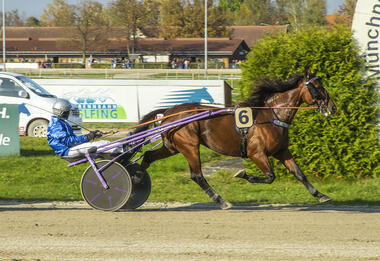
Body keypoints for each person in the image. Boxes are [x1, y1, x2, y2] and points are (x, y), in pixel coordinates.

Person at [47, 99, 123, 158]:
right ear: (61, 112)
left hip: (71, 148)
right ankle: (124, 149)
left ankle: (123, 147)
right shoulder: (56, 125)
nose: (68, 113)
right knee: (100, 145)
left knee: (104, 142)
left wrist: (92, 135)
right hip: (67, 150)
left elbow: (71, 139)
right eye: (67, 111)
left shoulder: (61, 122)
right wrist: (88, 137)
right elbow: (68, 141)